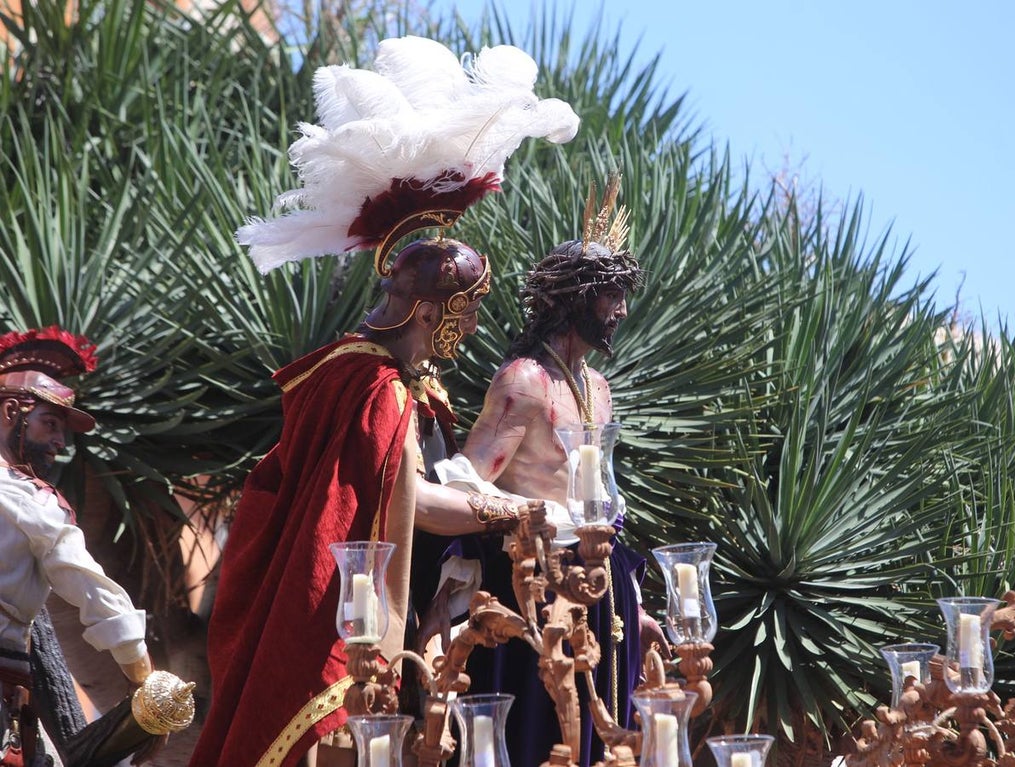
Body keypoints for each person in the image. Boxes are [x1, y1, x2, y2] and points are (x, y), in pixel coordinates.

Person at [189, 238, 531, 767]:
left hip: (397, 616)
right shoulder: (373, 385)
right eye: (467, 312)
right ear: (427, 312)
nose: (474, 328)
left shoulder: (394, 381)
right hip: (341, 621)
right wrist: (519, 512)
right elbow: (412, 503)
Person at [430, 178, 667, 767]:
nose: (622, 310)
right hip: (533, 592)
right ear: (575, 298)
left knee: (605, 734)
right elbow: (466, 480)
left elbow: (600, 495)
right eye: (611, 296)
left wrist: (631, 599)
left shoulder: (598, 389)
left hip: (602, 586)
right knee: (542, 737)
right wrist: (526, 526)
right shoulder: (524, 382)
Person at [0, 327, 154, 766]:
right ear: (12, 411)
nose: (60, 443)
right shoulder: (27, 499)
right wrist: (145, 676)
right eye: (50, 423)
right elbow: (90, 589)